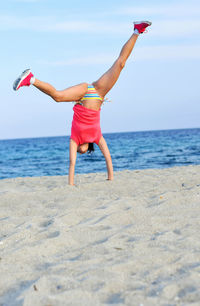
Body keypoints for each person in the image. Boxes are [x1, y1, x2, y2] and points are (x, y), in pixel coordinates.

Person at [13, 21, 152, 186]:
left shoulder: (75, 139)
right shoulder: (96, 137)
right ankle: (138, 30)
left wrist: (70, 184)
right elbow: (108, 157)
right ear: (88, 148)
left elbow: (72, 162)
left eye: (78, 151)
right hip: (98, 92)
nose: (80, 152)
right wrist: (111, 179)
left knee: (58, 96)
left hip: (83, 95)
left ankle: (32, 79)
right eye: (82, 152)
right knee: (120, 64)